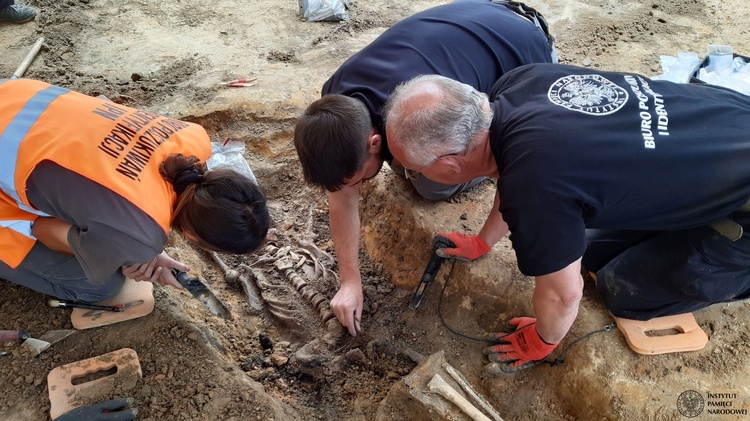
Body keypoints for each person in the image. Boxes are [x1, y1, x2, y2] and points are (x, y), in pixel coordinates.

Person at [384, 67, 750, 373]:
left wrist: (544, 339)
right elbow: (514, 177)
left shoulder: (536, 184)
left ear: (449, 164)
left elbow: (563, 293)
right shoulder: (519, 85)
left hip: (742, 200)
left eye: (415, 172)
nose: (416, 178)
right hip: (722, 125)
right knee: (588, 250)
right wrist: (483, 241)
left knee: (621, 288)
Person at [293, 0, 557, 336]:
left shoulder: (420, 112)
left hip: (526, 52)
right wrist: (349, 282)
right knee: (416, 165)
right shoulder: (336, 103)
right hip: (485, 18)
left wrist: (484, 240)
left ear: (375, 142)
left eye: (358, 179)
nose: (355, 188)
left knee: (432, 183)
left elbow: (514, 165)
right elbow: (341, 196)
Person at [0, 78, 270, 303]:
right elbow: (42, 229)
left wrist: (131, 246)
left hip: (16, 97)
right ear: (191, 236)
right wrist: (120, 253)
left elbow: (121, 185)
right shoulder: (138, 233)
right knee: (102, 287)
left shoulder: (191, 137)